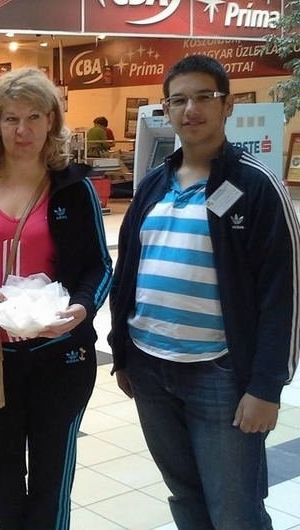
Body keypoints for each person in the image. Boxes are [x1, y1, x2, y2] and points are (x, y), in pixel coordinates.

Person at [109, 54, 300, 530]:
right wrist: (123, 353)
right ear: (166, 110)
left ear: (227, 105)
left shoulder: (256, 186)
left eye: (203, 97)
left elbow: (284, 293)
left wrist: (266, 387)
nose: (190, 109)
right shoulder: (152, 187)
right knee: (186, 497)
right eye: (178, 100)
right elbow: (126, 272)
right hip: (151, 370)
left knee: (235, 511)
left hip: (220, 373)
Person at [0, 67, 113, 530]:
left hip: (60, 355)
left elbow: (100, 265)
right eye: (11, 119)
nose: (23, 130)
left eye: (34, 117)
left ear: (51, 121)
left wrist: (82, 309)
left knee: (50, 480)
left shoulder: (73, 188)